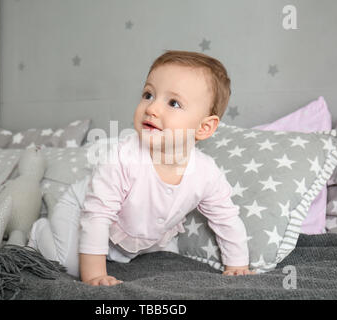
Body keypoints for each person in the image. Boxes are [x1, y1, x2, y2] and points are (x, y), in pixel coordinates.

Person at [28, 50, 255, 287]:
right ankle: (39, 231)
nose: (151, 108)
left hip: (138, 232)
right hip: (82, 210)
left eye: (173, 102)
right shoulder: (123, 157)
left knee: (168, 263)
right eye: (148, 94)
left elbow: (227, 219)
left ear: (204, 128)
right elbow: (97, 215)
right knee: (70, 265)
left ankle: (110, 251)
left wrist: (237, 265)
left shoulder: (206, 173)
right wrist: (95, 276)